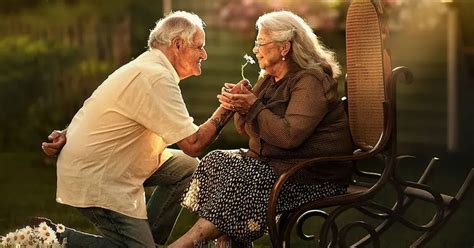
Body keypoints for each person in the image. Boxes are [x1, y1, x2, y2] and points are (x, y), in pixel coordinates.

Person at [39, 11, 239, 247]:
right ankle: (49, 237)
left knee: (187, 167)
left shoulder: (148, 66)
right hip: (99, 175)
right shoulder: (155, 76)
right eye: (199, 47)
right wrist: (228, 107)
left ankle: (147, 240)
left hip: (117, 161)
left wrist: (66, 133)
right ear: (178, 44)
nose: (204, 54)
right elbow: (193, 144)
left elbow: (99, 110)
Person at [169, 10, 353, 247]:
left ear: (284, 48)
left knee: (246, 177)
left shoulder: (310, 81)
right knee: (216, 160)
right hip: (277, 165)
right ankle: (226, 240)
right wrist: (239, 105)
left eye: (260, 43)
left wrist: (253, 105)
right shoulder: (268, 79)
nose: (255, 49)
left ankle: (190, 241)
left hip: (311, 174)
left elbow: (289, 137)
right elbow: (246, 131)